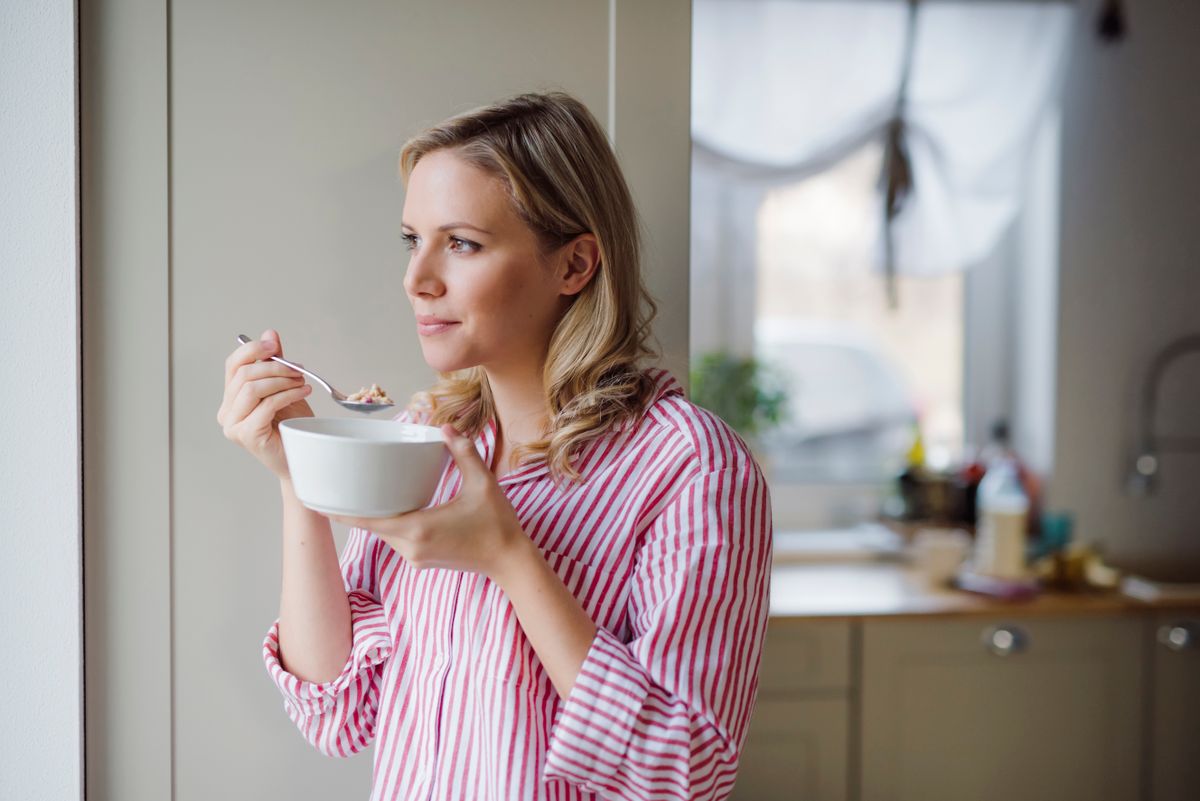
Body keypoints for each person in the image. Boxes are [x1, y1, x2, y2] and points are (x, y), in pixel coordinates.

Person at [216, 91, 773, 801]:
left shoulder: (692, 468)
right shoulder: (425, 439)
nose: (417, 279)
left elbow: (685, 774)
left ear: (574, 265)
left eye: (463, 243)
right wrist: (301, 471)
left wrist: (510, 557)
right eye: (412, 239)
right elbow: (335, 711)